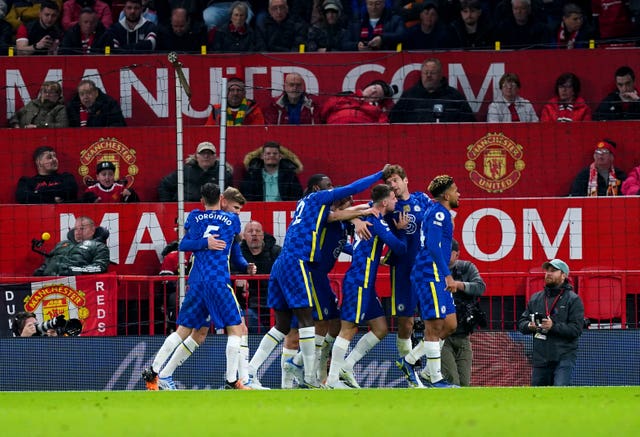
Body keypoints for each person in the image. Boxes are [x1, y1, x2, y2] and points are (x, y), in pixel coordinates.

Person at [247, 166, 388, 389]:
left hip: (284, 263)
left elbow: (338, 215)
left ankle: (250, 372)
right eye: (329, 186)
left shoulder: (314, 209)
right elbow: (349, 193)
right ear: (316, 188)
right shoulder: (316, 199)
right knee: (308, 322)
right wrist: (380, 175)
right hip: (300, 263)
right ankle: (309, 376)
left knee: (284, 324)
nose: (334, 190)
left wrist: (357, 215)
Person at [144, 183, 255, 390]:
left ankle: (155, 371)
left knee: (183, 330)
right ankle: (234, 380)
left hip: (196, 282)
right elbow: (233, 243)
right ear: (222, 198)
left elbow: (184, 244)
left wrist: (203, 242)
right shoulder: (232, 220)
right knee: (236, 329)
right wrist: (209, 242)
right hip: (218, 281)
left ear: (202, 200)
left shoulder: (194, 216)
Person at [325, 184, 408, 389]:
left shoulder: (368, 214)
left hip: (366, 284)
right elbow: (400, 248)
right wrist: (402, 231)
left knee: (380, 328)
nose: (396, 201)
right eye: (393, 198)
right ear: (385, 201)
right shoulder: (376, 221)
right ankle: (332, 380)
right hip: (358, 281)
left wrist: (354, 218)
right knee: (348, 329)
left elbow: (362, 208)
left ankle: (347, 365)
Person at [396, 174, 460, 388]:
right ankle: (434, 378)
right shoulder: (439, 214)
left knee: (450, 324)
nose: (458, 193)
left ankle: (410, 361)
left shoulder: (440, 212)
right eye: (455, 190)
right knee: (434, 327)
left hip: (436, 272)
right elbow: (433, 247)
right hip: (429, 272)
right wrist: (448, 275)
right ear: (446, 194)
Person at [378, 165, 433, 367]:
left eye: (395, 180)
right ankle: (411, 372)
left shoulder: (422, 200)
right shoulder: (389, 206)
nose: (392, 185)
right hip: (403, 271)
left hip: (426, 269)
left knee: (439, 321)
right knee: (406, 323)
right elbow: (370, 210)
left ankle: (418, 365)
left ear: (405, 180)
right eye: (388, 183)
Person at [517, 259, 584, 386]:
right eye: (547, 271)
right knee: (537, 398)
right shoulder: (536, 298)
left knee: (559, 393)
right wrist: (529, 326)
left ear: (563, 275)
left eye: (553, 271)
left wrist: (553, 326)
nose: (548, 273)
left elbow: (576, 329)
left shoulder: (573, 300)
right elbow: (521, 323)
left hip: (563, 357)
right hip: (540, 358)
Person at [439, 239, 486, 387]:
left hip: (464, 336)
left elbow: (480, 287)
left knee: (465, 384)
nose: (443, 255)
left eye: (447, 252)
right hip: (442, 337)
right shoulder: (433, 269)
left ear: (457, 255)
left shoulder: (466, 268)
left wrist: (459, 285)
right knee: (452, 381)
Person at [390, 57, 476, 123]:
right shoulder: (409, 96)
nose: (428, 76)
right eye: (425, 72)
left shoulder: (454, 96)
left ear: (440, 75)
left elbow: (469, 122)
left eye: (433, 73)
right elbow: (393, 121)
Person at [233, 220, 282, 332]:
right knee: (247, 316)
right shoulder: (237, 254)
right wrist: (237, 278)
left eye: (258, 231)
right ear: (244, 236)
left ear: (263, 235)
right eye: (250, 231)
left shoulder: (276, 251)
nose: (254, 234)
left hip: (274, 302)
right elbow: (230, 271)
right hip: (249, 305)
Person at [33, 216, 110, 276]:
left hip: (77, 286)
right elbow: (47, 262)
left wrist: (73, 270)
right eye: (76, 229)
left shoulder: (99, 247)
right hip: (48, 284)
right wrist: (41, 271)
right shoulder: (61, 244)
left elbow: (99, 267)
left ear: (93, 231)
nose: (78, 232)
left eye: (82, 229)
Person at [158, 141, 234, 202]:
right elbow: (165, 185)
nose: (206, 156)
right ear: (196, 156)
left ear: (215, 156)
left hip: (213, 210)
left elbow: (231, 195)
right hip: (186, 209)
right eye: (202, 153)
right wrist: (168, 205)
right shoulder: (185, 170)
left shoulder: (223, 173)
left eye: (209, 153)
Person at [239, 142, 303, 202]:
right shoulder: (251, 176)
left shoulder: (290, 176)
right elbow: (245, 198)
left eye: (275, 153)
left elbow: (297, 198)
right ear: (262, 156)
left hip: (284, 212)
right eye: (268, 153)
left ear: (280, 156)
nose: (272, 155)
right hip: (258, 211)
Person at [321, 80, 395, 124]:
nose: (373, 91)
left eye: (377, 93)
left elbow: (382, 127)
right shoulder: (345, 97)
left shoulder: (376, 111)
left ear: (377, 100)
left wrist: (383, 109)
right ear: (368, 86)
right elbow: (325, 110)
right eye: (374, 88)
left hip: (360, 136)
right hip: (334, 129)